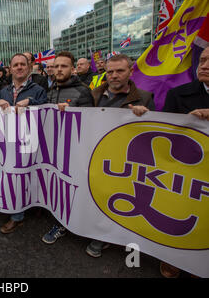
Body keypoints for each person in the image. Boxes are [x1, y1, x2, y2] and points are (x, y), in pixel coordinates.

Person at [86, 54, 155, 257]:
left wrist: (146, 116)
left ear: (130, 72)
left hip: (124, 160)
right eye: (110, 71)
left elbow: (154, 134)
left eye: (120, 71)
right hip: (94, 154)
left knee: (116, 198)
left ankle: (106, 237)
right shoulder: (93, 94)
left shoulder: (145, 98)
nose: (114, 75)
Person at [159, 46, 209, 278]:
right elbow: (165, 134)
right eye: (203, 60)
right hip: (185, 169)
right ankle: (173, 259)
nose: (205, 65)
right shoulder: (178, 94)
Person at [41, 52, 94, 244]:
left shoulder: (83, 91)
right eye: (56, 66)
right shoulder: (49, 90)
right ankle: (59, 216)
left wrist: (71, 114)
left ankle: (67, 223)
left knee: (69, 186)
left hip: (73, 150)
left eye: (64, 66)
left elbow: (90, 123)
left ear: (72, 70)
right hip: (53, 149)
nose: (59, 70)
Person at [0, 53, 48, 234]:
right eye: (15, 64)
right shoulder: (4, 91)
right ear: (10, 69)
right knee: (12, 175)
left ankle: (21, 213)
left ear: (29, 67)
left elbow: (46, 107)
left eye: (22, 64)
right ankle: (16, 211)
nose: (19, 67)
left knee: (26, 175)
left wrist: (31, 102)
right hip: (8, 141)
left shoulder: (37, 89)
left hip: (29, 140)